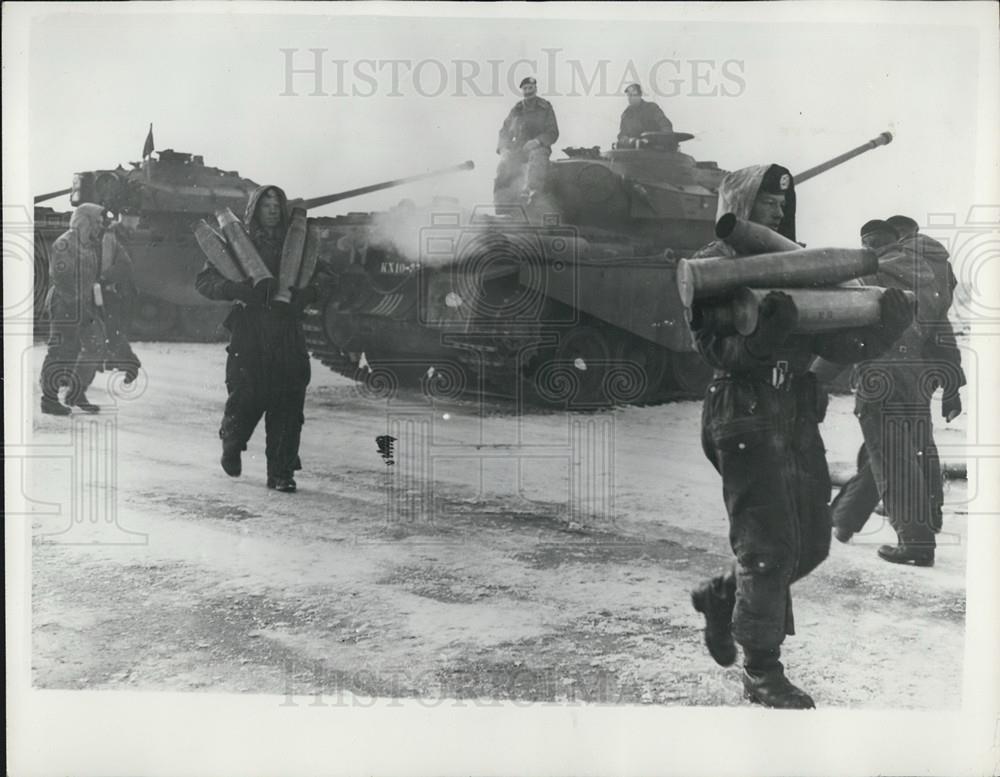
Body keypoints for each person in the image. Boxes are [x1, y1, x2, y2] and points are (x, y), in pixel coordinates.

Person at [687, 166, 914, 708]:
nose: (773, 211)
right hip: (742, 414)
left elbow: (838, 346)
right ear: (738, 202)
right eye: (763, 200)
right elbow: (715, 350)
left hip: (793, 412)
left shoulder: (799, 264)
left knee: (811, 542)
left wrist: (884, 327)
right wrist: (764, 336)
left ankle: (724, 597)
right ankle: (761, 670)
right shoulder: (710, 268)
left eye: (779, 203)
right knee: (767, 547)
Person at [830, 219, 964, 563]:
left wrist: (814, 378)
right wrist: (952, 384)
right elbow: (942, 329)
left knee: (891, 457)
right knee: (909, 450)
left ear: (870, 244)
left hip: (879, 374)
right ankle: (849, 519)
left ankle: (916, 542)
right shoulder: (932, 271)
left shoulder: (871, 275)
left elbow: (845, 327)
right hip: (917, 376)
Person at [195, 185, 316, 492]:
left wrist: (309, 294)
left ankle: (281, 472)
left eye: (277, 205)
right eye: (266, 205)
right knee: (246, 397)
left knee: (288, 404)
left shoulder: (297, 243)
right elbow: (205, 281)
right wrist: (236, 290)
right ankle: (232, 442)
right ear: (254, 210)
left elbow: (326, 275)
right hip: (250, 330)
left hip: (287, 329)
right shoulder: (238, 243)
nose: (273, 210)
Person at [39, 204, 113, 414]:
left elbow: (93, 277)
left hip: (85, 303)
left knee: (96, 345)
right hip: (65, 302)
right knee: (61, 350)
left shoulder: (90, 245)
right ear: (85, 221)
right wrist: (78, 304)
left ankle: (76, 392)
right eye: (97, 222)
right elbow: (61, 277)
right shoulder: (64, 243)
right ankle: (49, 399)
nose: (100, 226)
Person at [494, 76, 559, 205]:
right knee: (503, 164)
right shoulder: (517, 109)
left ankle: (531, 193)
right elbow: (505, 131)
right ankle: (501, 203)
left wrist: (537, 141)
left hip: (539, 148)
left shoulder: (545, 108)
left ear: (535, 89)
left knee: (537, 157)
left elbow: (553, 132)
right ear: (522, 91)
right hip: (519, 149)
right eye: (525, 89)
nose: (528, 91)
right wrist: (503, 148)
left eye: (530, 88)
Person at [616, 83, 674, 149]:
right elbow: (622, 135)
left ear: (640, 95)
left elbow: (665, 125)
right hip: (634, 152)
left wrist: (663, 140)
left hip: (654, 150)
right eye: (629, 95)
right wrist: (629, 141)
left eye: (634, 95)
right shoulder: (626, 115)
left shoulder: (652, 108)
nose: (631, 98)